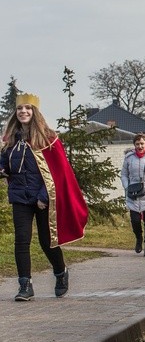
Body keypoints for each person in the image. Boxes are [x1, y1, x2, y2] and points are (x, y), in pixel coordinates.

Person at [0, 93, 88, 301]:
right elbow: (3, 160)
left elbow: (58, 172)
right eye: (20, 109)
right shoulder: (11, 138)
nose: (23, 112)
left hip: (43, 198)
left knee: (46, 240)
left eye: (28, 109)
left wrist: (43, 196)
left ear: (34, 112)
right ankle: (25, 286)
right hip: (19, 196)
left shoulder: (49, 138)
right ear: (16, 113)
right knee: (21, 241)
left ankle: (60, 272)